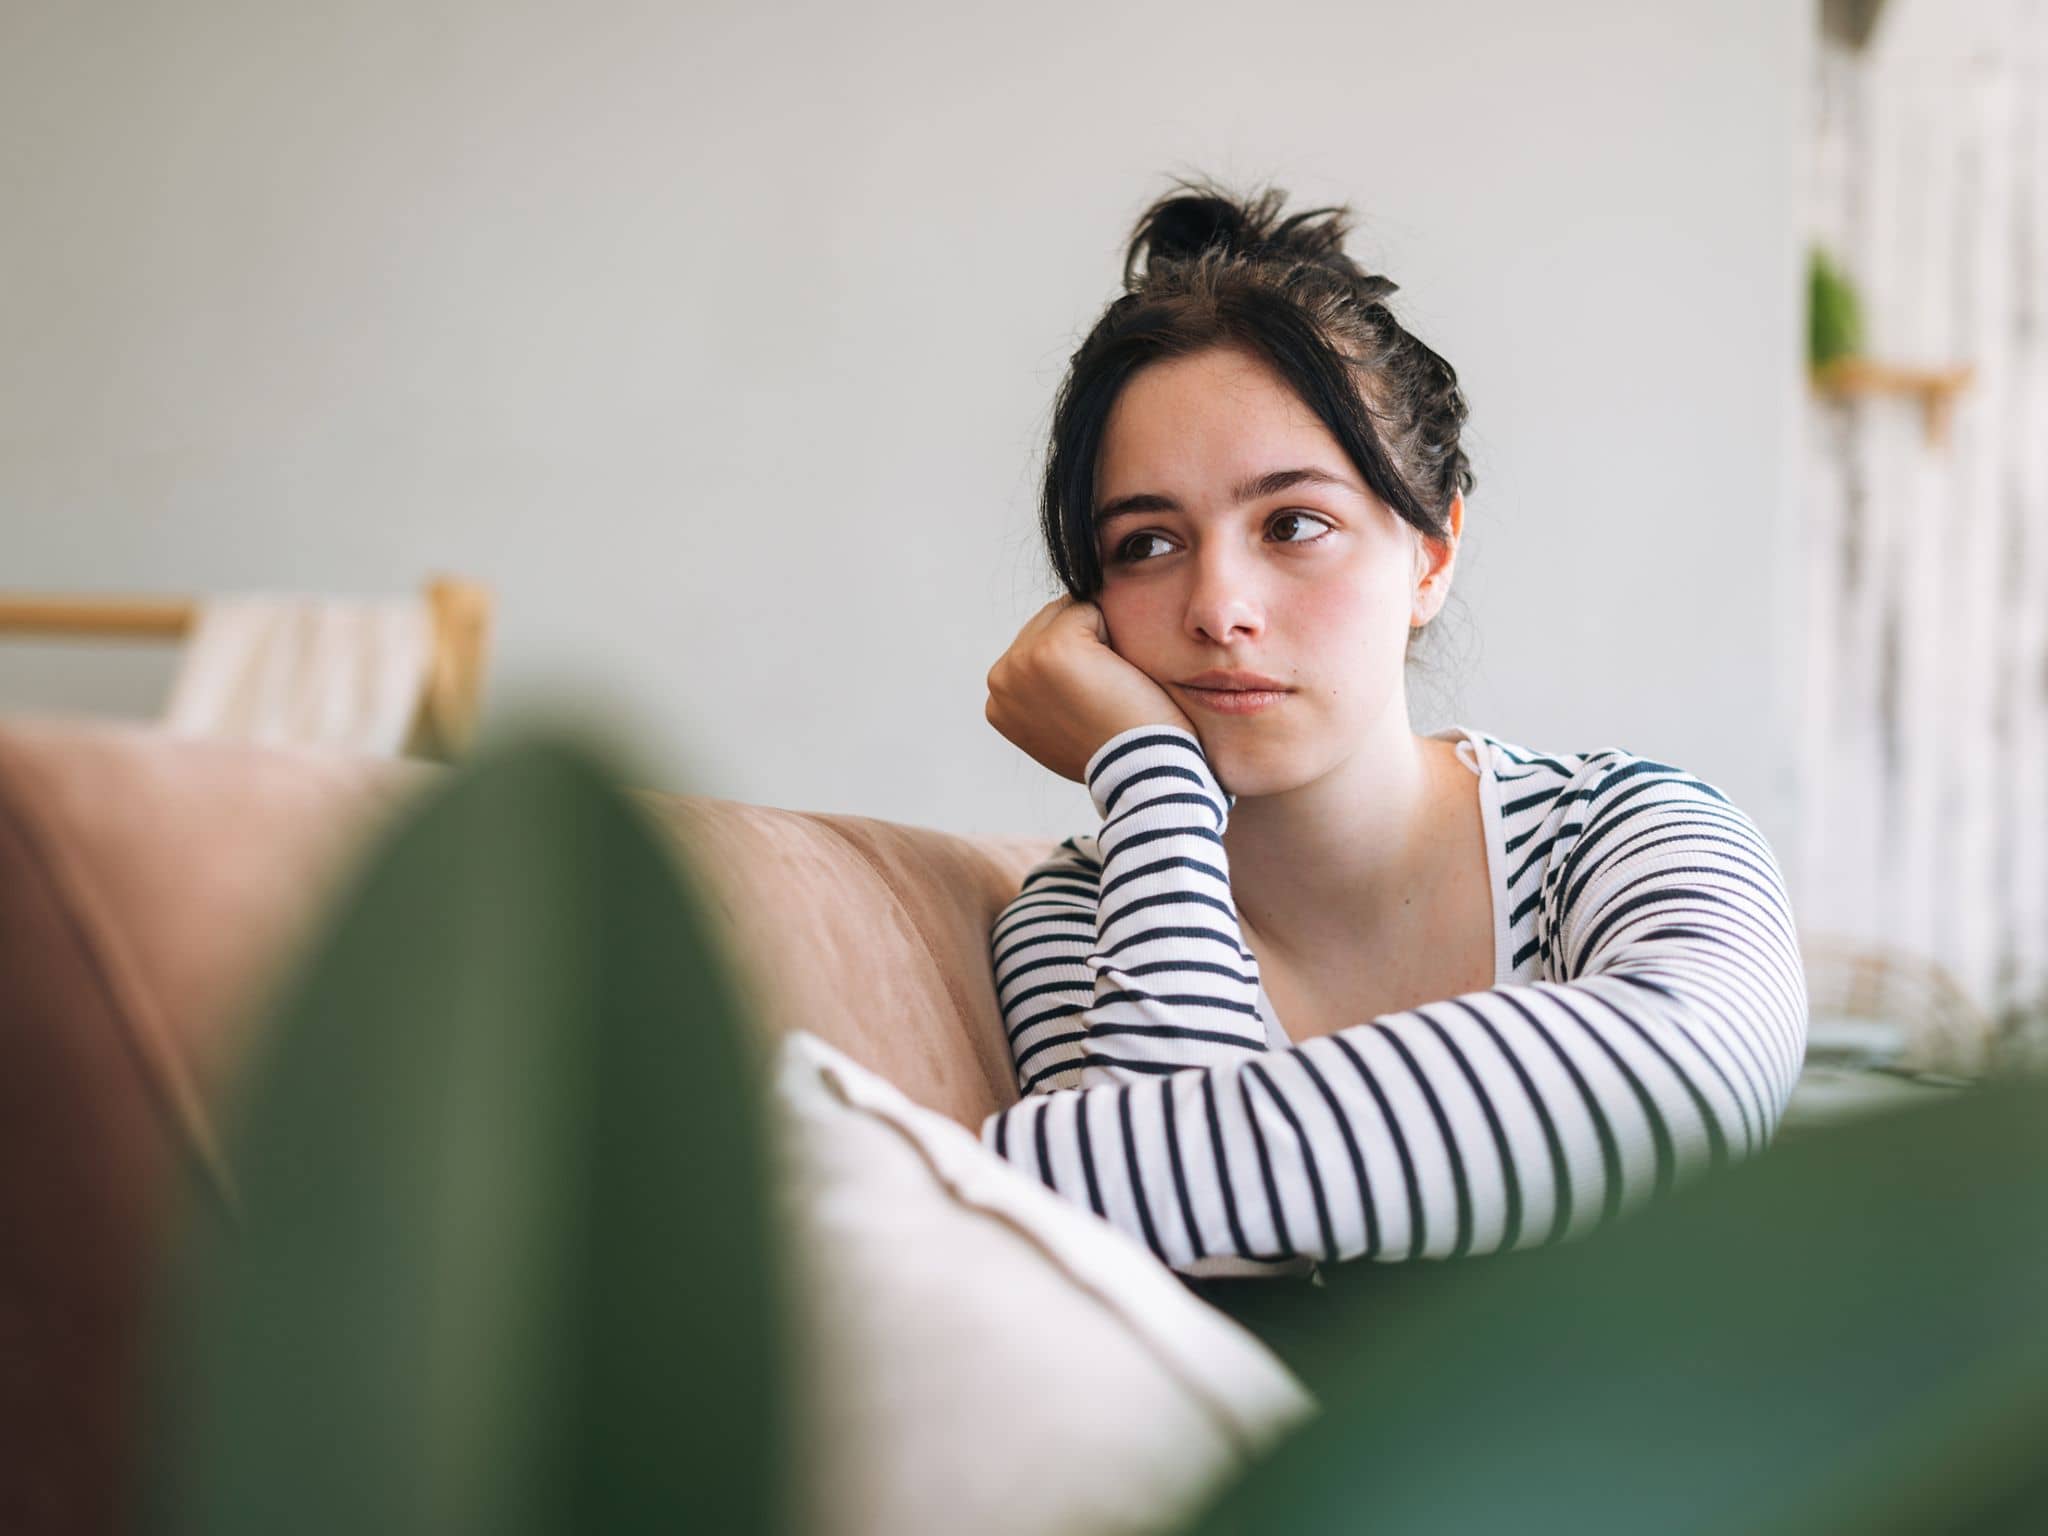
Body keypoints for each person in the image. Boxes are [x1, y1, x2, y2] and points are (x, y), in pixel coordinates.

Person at [976, 175, 1809, 1308]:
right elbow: (1187, 1289)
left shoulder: (1626, 838)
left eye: (1295, 524)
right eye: (1147, 544)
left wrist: (1006, 1174)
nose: (1218, 607)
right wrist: (1150, 776)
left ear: (1429, 552)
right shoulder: (1083, 920)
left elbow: (1691, 1087)